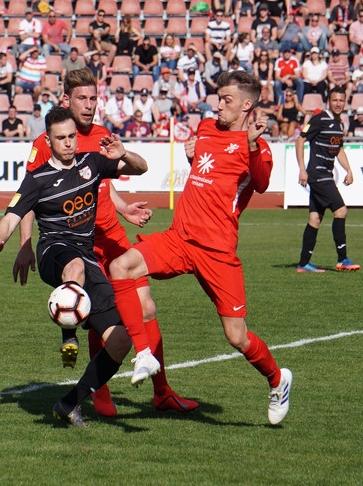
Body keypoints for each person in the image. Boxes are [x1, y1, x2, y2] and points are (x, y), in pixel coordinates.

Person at [106, 70, 292, 425]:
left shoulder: (258, 147)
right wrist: (193, 157)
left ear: (247, 105)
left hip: (216, 251)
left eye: (227, 100)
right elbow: (208, 172)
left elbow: (263, 183)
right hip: (180, 238)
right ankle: (143, 352)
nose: (217, 105)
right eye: (218, 98)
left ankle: (277, 379)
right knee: (122, 266)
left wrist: (252, 144)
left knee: (236, 336)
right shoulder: (206, 128)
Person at [13, 68, 191, 416]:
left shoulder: (103, 136)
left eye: (94, 98)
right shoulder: (46, 143)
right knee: (96, 313)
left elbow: (105, 181)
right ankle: (100, 392)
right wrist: (24, 243)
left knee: (147, 308)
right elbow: (31, 196)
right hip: (79, 243)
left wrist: (123, 209)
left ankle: (162, 391)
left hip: (112, 235)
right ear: (66, 100)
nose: (90, 105)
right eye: (82, 98)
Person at [0, 108, 147, 427]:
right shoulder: (38, 178)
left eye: (72, 136)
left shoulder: (92, 163)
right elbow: (11, 216)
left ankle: (69, 403)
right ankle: (68, 335)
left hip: (87, 260)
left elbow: (141, 169)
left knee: (120, 340)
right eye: (61, 138)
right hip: (52, 252)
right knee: (74, 266)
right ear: (48, 140)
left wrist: (125, 152)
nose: (69, 143)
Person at [294, 88, 358, 273]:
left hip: (325, 175)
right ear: (328, 101)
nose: (338, 103)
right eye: (335, 100)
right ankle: (342, 259)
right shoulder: (319, 119)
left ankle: (304, 263)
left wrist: (348, 170)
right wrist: (302, 169)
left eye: (341, 100)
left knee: (314, 219)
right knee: (341, 211)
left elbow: (338, 149)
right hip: (318, 174)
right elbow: (300, 140)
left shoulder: (339, 124)